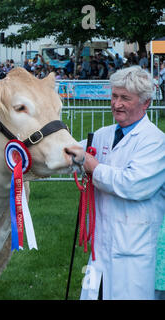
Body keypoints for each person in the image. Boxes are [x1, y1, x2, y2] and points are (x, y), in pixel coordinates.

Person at [80, 66, 165, 300]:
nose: (116, 104)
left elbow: (132, 184)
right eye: (114, 96)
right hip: (102, 249)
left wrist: (93, 167)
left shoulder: (156, 143)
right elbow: (71, 153)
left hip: (134, 252)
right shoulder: (104, 134)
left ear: (145, 103)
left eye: (125, 98)